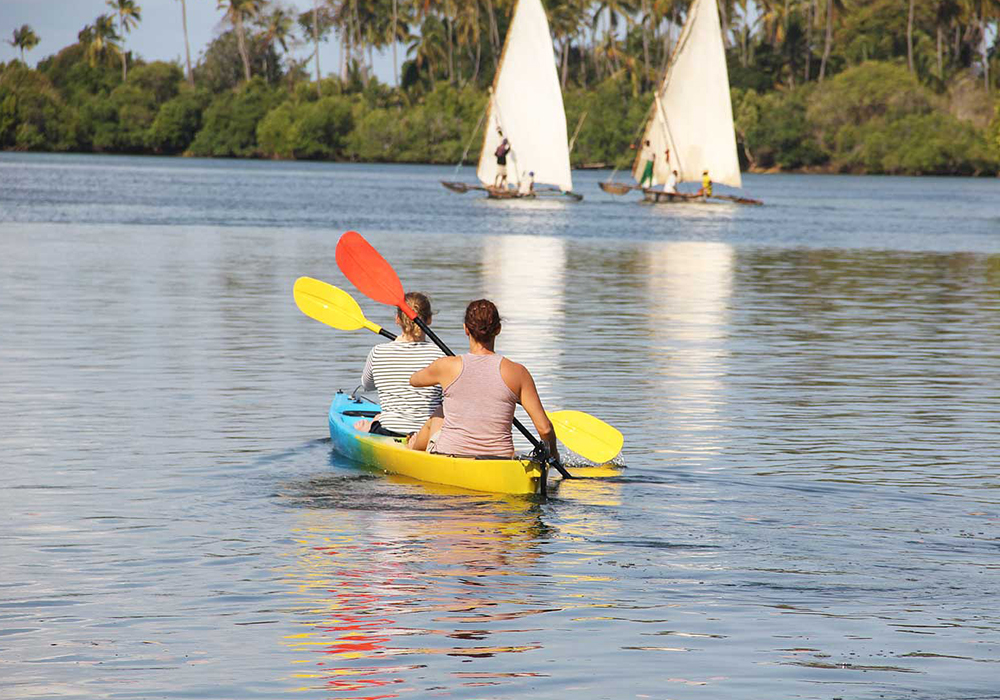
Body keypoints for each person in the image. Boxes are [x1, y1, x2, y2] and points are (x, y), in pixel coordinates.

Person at [407, 299, 558, 461]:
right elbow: (545, 429)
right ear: (498, 329)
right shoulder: (518, 372)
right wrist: (553, 456)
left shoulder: (446, 366)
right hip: (501, 461)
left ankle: (411, 447)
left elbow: (414, 380)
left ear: (466, 329)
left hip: (450, 455)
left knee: (440, 413)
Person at [356, 292, 445, 437]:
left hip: (388, 431)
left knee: (375, 420)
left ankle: (370, 427)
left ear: (397, 319)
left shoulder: (378, 352)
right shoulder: (440, 356)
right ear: (429, 320)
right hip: (425, 435)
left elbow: (367, 385)